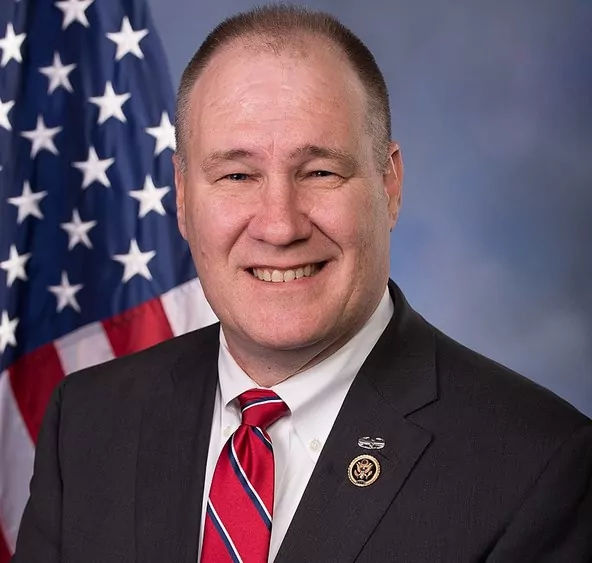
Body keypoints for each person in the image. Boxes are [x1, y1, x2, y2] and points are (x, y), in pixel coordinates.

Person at [13, 5, 592, 562]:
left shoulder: (537, 467)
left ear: (389, 185)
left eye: (319, 172)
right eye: (237, 175)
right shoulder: (88, 423)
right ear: (183, 198)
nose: (280, 225)